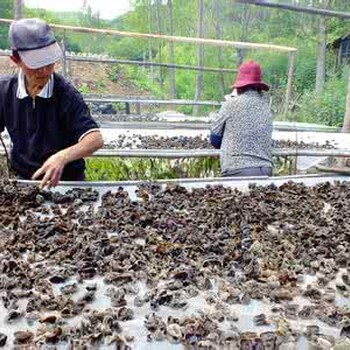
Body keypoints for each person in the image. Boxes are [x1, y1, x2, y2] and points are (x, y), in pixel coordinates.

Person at [0, 18, 104, 188]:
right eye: (36, 63)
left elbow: (94, 140)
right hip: (23, 183)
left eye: (48, 62)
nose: (45, 70)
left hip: (66, 183)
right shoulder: (4, 91)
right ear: (15, 60)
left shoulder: (66, 94)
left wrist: (61, 157)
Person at [210, 60, 273, 177]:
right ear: (259, 87)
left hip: (238, 169)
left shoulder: (230, 104)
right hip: (266, 169)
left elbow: (214, 140)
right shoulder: (266, 107)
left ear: (239, 87)